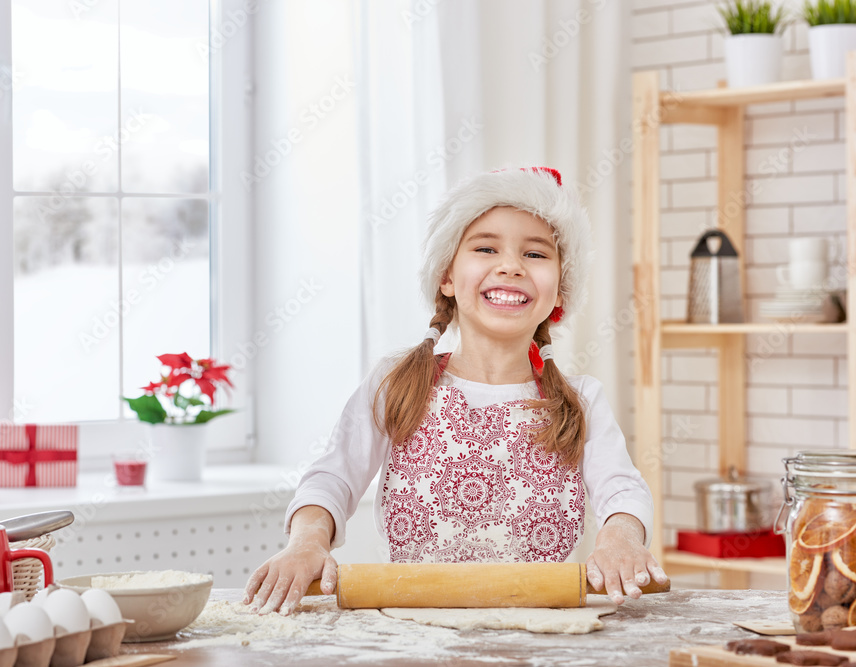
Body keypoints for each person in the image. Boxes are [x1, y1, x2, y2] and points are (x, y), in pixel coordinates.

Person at [244, 167, 667, 616]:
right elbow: (332, 478)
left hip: (538, 636)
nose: (510, 265)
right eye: (486, 248)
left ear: (559, 288)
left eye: (536, 254)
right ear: (447, 276)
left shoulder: (581, 402)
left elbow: (622, 490)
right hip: (412, 632)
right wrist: (306, 542)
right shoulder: (398, 384)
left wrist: (620, 537)